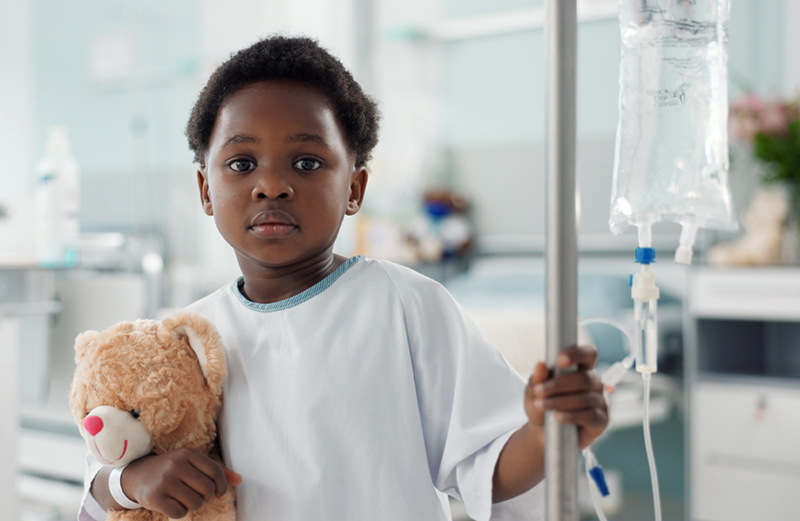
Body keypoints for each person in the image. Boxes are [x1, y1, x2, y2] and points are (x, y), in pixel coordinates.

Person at [79, 36, 607, 521]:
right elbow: (102, 479)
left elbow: (487, 466)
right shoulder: (186, 340)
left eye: (307, 162)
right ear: (205, 190)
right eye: (241, 164)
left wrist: (545, 432)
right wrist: (131, 482)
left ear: (354, 188)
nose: (272, 185)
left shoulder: (406, 306)